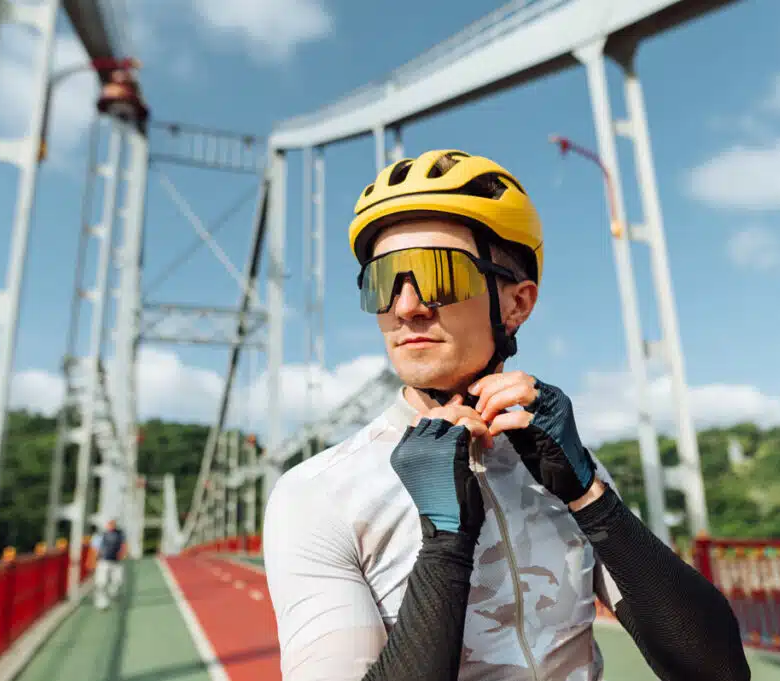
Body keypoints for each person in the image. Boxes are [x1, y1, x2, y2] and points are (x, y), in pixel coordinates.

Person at [263, 149, 750, 680]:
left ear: (517, 304)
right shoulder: (317, 493)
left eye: (437, 274)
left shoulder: (560, 466)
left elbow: (716, 670)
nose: (406, 307)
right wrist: (446, 543)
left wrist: (591, 498)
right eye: (382, 283)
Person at [91, 518, 126, 611]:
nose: (111, 525)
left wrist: (122, 553)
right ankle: (101, 603)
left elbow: (123, 545)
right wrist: (92, 561)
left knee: (118, 580)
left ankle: (112, 592)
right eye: (109, 523)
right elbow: (95, 549)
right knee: (101, 583)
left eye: (112, 523)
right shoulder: (100, 535)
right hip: (103, 561)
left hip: (116, 561)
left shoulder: (120, 534)